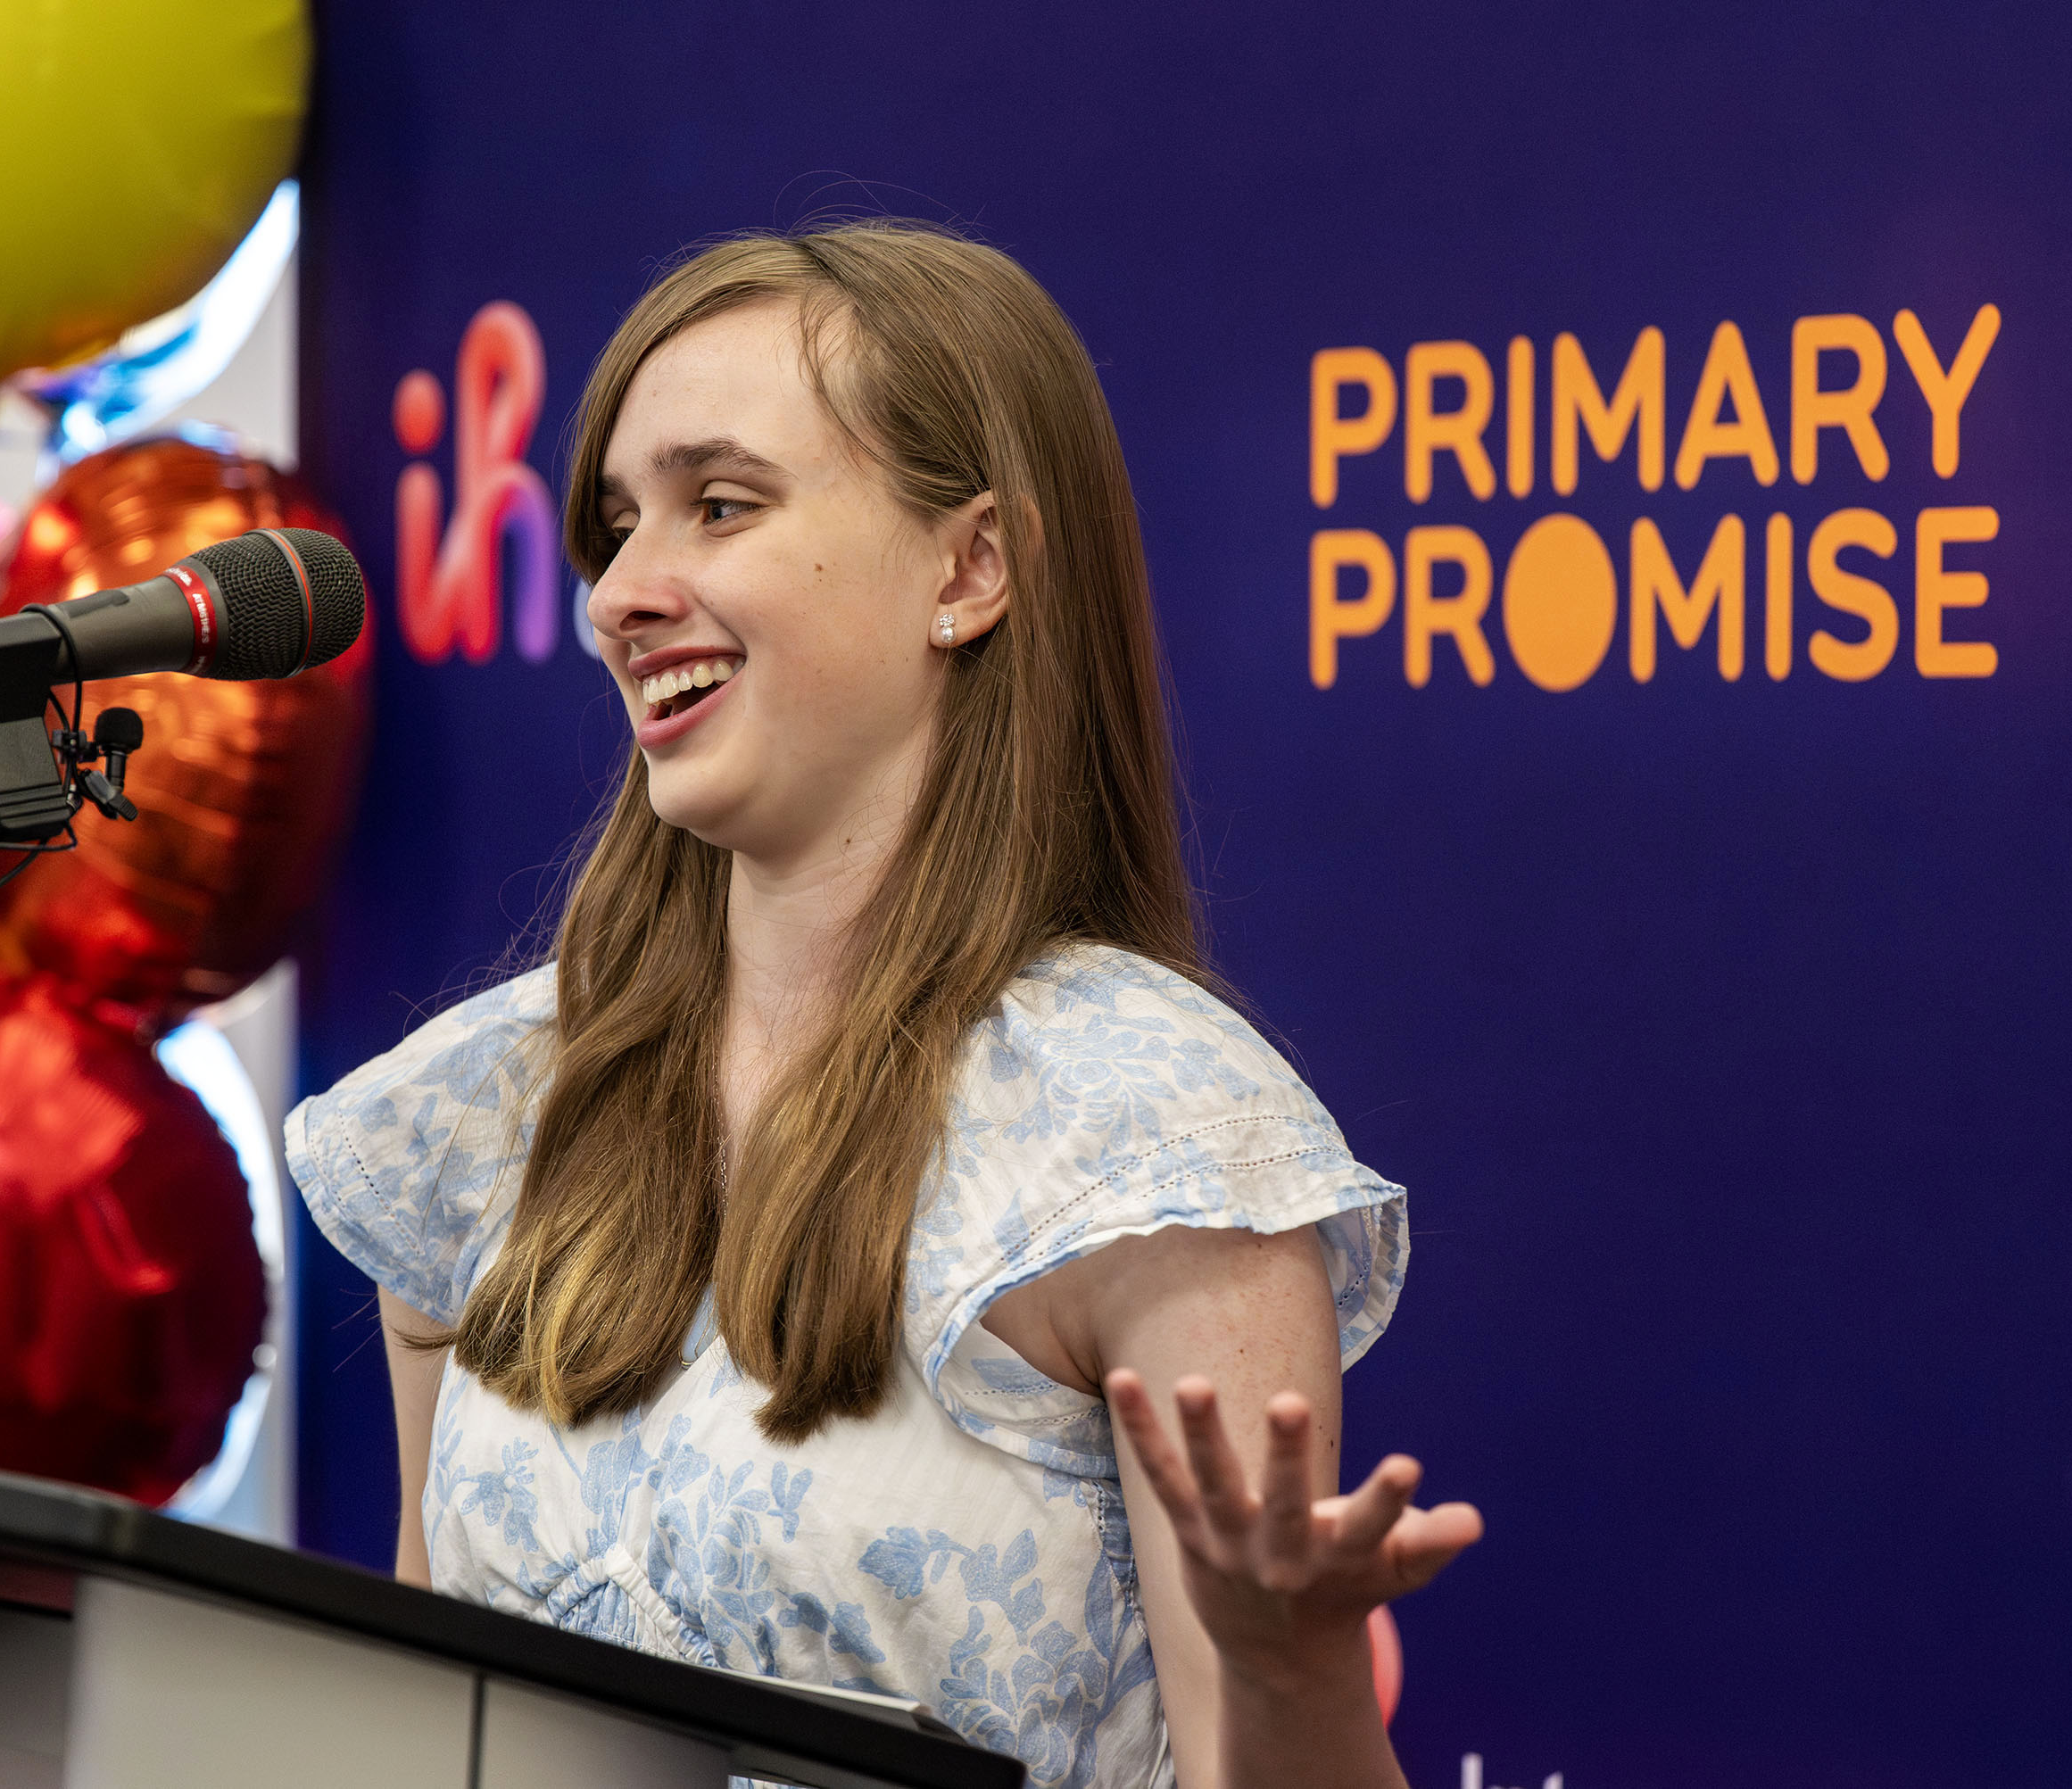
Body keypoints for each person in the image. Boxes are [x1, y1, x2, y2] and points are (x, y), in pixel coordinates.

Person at [286, 219, 1482, 1789]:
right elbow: (423, 1729)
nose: (621, 595)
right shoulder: (487, 1103)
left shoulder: (1153, 1143)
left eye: (720, 505)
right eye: (614, 526)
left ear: (968, 568)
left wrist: (1291, 1671)